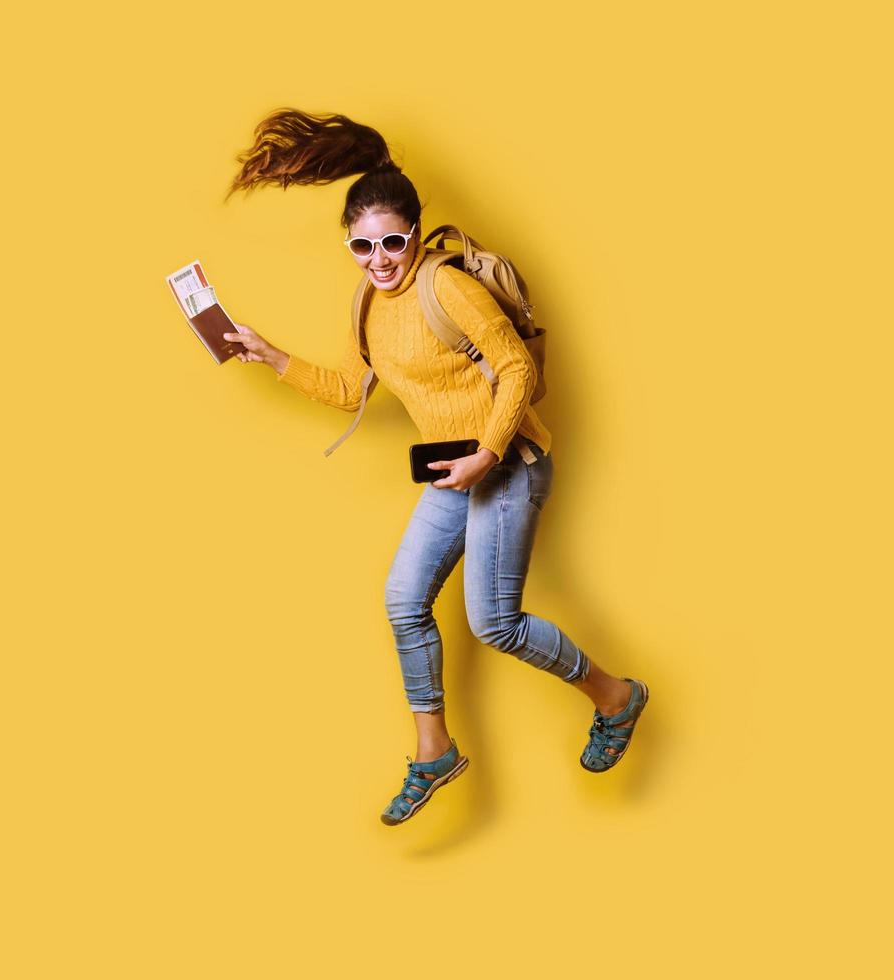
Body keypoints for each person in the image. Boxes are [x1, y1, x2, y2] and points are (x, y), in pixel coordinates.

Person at [221, 108, 649, 826]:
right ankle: (434, 753)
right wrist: (271, 358)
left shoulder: (445, 287)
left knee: (494, 624)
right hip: (453, 471)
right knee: (403, 599)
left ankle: (616, 698)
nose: (380, 259)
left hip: (507, 463)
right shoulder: (368, 301)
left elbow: (514, 368)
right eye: (362, 247)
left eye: (391, 242)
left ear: (415, 235)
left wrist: (486, 452)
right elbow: (351, 388)